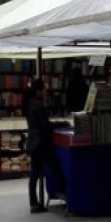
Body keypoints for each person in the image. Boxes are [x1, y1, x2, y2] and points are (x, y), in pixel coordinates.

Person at [25, 78, 67, 214]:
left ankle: (34, 202)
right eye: (44, 89)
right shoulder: (39, 106)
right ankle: (65, 192)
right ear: (39, 91)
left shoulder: (31, 105)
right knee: (55, 168)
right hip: (42, 144)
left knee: (34, 174)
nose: (46, 92)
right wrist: (62, 124)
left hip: (34, 142)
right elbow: (45, 126)